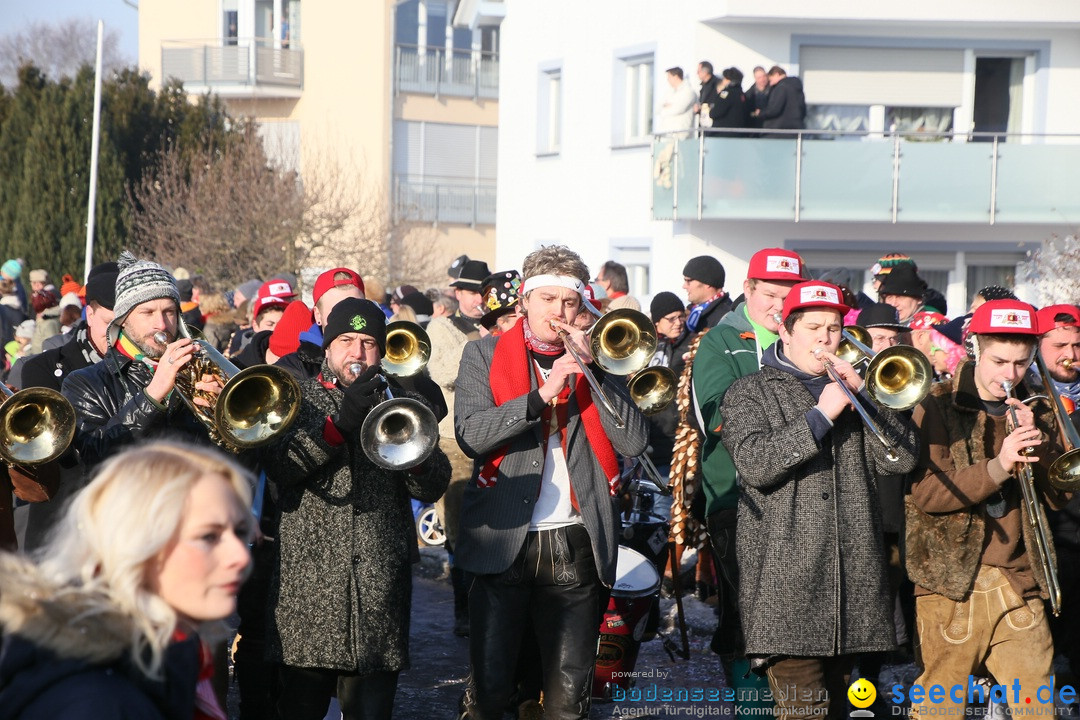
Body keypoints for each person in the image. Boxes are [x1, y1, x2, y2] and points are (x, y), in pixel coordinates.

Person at [455, 245, 648, 719]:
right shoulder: (481, 354)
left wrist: (595, 372)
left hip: (575, 542)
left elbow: (633, 441)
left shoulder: (598, 359)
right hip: (503, 538)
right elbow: (472, 435)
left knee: (566, 702)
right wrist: (541, 396)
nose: (558, 312)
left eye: (568, 302)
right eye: (547, 300)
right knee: (492, 692)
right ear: (524, 301)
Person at [720, 280, 919, 719]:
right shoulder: (750, 392)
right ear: (785, 331)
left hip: (854, 593)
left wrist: (868, 396)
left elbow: (901, 458)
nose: (826, 338)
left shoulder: (852, 389)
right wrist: (821, 414)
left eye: (833, 328)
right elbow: (756, 463)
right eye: (813, 327)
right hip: (786, 594)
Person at [259, 297, 450, 720]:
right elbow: (281, 469)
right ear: (327, 346)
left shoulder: (400, 399)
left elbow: (434, 481)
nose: (357, 353)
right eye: (346, 340)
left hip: (377, 591)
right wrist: (340, 426)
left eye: (368, 342)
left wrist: (409, 443)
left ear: (381, 350)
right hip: (308, 595)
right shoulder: (297, 398)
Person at [0, 441, 253, 720]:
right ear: (135, 543)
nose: (240, 556)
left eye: (240, 531)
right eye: (208, 536)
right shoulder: (97, 702)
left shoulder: (174, 652)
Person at [907, 299, 1068, 720]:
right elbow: (927, 494)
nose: (1010, 375)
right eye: (999, 360)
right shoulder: (937, 404)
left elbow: (1057, 497)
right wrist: (999, 466)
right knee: (941, 711)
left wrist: (1044, 448)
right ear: (975, 346)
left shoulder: (1037, 409)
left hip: (1020, 578)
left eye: (1021, 362)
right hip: (951, 584)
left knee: (1039, 710)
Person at [692, 248, 804, 675]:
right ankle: (752, 703)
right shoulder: (721, 341)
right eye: (770, 295)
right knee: (747, 619)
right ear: (747, 290)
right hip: (738, 501)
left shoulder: (810, 338)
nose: (779, 307)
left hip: (802, 499)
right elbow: (715, 415)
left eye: (788, 297)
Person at [61, 252, 222, 471]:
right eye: (147, 312)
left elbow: (243, 465)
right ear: (123, 320)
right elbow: (93, 456)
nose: (162, 325)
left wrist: (223, 417)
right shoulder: (84, 383)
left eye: (169, 312)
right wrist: (152, 395)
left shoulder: (203, 368)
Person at [19, 261, 118, 550]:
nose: (116, 334)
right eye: (109, 323)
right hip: (62, 528)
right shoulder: (44, 368)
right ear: (89, 314)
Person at [426, 257, 490, 637]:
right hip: (455, 439)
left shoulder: (497, 324)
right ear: (459, 294)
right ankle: (464, 611)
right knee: (460, 530)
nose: (475, 299)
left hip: (495, 433)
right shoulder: (443, 326)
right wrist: (483, 341)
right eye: (468, 292)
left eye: (480, 292)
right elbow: (443, 371)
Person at [275, 267, 364, 381]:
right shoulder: (291, 369)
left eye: (355, 309)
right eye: (336, 311)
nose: (347, 320)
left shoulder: (378, 355)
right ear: (317, 315)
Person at [1034, 304, 1080, 404]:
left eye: (1077, 345)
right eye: (1060, 345)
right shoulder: (1023, 390)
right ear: (1037, 346)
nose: (1071, 355)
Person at [682, 255, 733, 333]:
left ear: (707, 283)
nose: (684, 286)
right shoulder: (692, 312)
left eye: (689, 281)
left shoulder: (726, 318)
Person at [757, 65, 806, 131]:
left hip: (780, 129)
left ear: (776, 74)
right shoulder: (796, 87)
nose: (770, 84)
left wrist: (761, 113)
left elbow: (774, 109)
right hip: (797, 128)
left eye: (771, 80)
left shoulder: (781, 87)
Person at [659, 66, 697, 135]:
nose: (668, 80)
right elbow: (658, 107)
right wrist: (668, 107)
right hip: (667, 133)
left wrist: (668, 107)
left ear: (676, 77)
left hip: (680, 134)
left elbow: (678, 109)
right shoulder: (670, 92)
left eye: (669, 77)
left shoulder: (688, 92)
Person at [712, 67, 746, 133]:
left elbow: (715, 112)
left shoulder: (726, 93)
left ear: (728, 80)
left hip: (723, 133)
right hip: (739, 132)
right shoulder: (742, 94)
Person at [693, 61, 721, 130]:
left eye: (698, 71)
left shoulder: (717, 84)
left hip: (713, 123)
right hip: (704, 122)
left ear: (705, 72)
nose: (697, 73)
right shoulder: (703, 86)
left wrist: (706, 106)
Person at [744, 66, 770, 130]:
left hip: (769, 125)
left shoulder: (775, 91)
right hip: (754, 126)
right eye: (759, 77)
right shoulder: (749, 94)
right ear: (755, 78)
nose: (762, 79)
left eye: (764, 76)